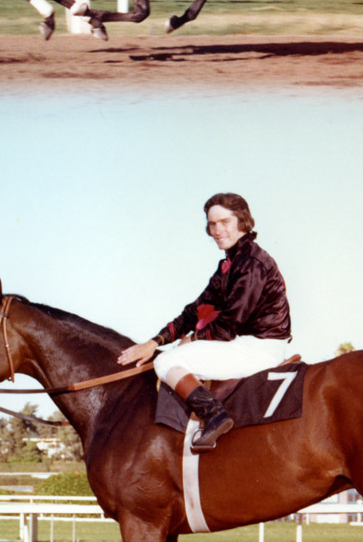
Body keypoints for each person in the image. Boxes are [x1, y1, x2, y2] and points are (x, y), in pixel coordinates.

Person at [117, 193, 291, 451]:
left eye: (225, 222)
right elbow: (194, 311)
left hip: (258, 348)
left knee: (167, 361)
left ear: (242, 221)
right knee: (168, 353)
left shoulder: (251, 262)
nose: (218, 230)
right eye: (212, 224)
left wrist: (192, 340)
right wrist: (154, 342)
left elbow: (230, 324)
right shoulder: (231, 263)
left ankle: (215, 416)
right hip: (245, 344)